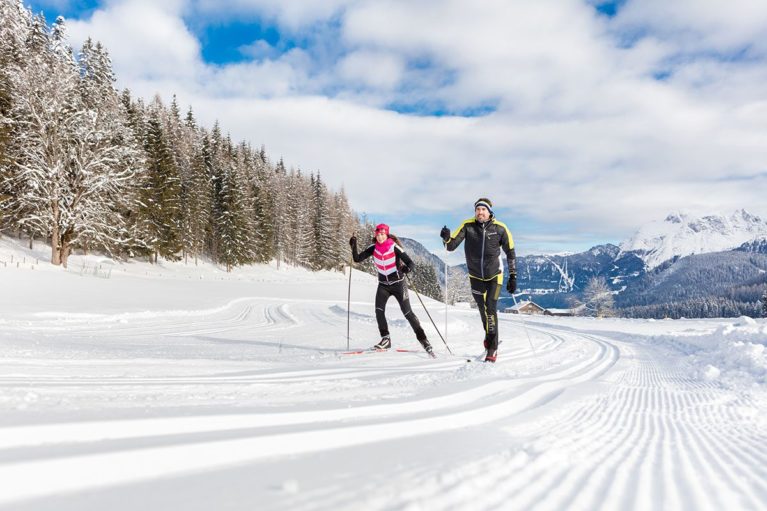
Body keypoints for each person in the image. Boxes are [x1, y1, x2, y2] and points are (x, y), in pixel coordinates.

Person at [440, 198, 516, 363]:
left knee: (490, 308)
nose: (480, 212)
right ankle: (489, 337)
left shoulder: (500, 229)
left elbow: (510, 251)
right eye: (477, 210)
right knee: (482, 311)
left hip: (495, 275)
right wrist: (445, 238)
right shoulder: (468, 226)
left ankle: (492, 347)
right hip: (475, 276)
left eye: (483, 210)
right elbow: (450, 246)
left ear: (489, 212)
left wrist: (513, 276)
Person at [350, 223, 435, 357]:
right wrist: (353, 246)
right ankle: (386, 339)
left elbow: (411, 263)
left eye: (382, 234)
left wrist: (407, 269)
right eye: (377, 234)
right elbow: (357, 259)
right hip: (383, 285)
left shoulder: (394, 247)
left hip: (398, 284)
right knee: (379, 311)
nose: (379, 237)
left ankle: (424, 341)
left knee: (408, 313)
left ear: (387, 234)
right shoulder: (373, 248)